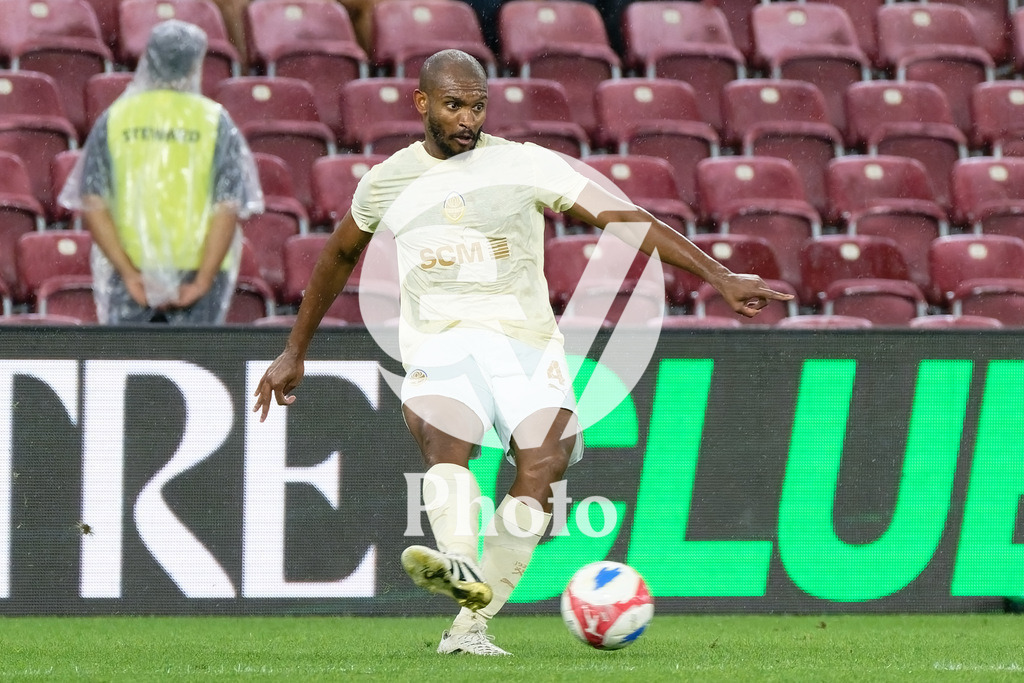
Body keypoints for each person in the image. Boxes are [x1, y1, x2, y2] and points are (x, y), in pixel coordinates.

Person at [252, 49, 792, 656]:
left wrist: (717, 275)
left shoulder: (525, 165)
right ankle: (458, 562)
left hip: (524, 341)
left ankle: (468, 625)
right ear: (422, 103)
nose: (467, 119)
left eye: (478, 106)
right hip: (441, 340)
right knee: (446, 439)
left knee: (546, 462)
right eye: (454, 105)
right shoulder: (387, 182)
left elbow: (625, 217)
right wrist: (294, 350)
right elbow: (338, 257)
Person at [59, 20, 264, 325]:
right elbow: (228, 206)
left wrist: (129, 274)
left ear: (148, 59)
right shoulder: (215, 122)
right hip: (196, 270)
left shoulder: (116, 118)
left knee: (128, 366)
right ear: (196, 63)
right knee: (195, 363)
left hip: (129, 270)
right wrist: (202, 282)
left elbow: (93, 202)